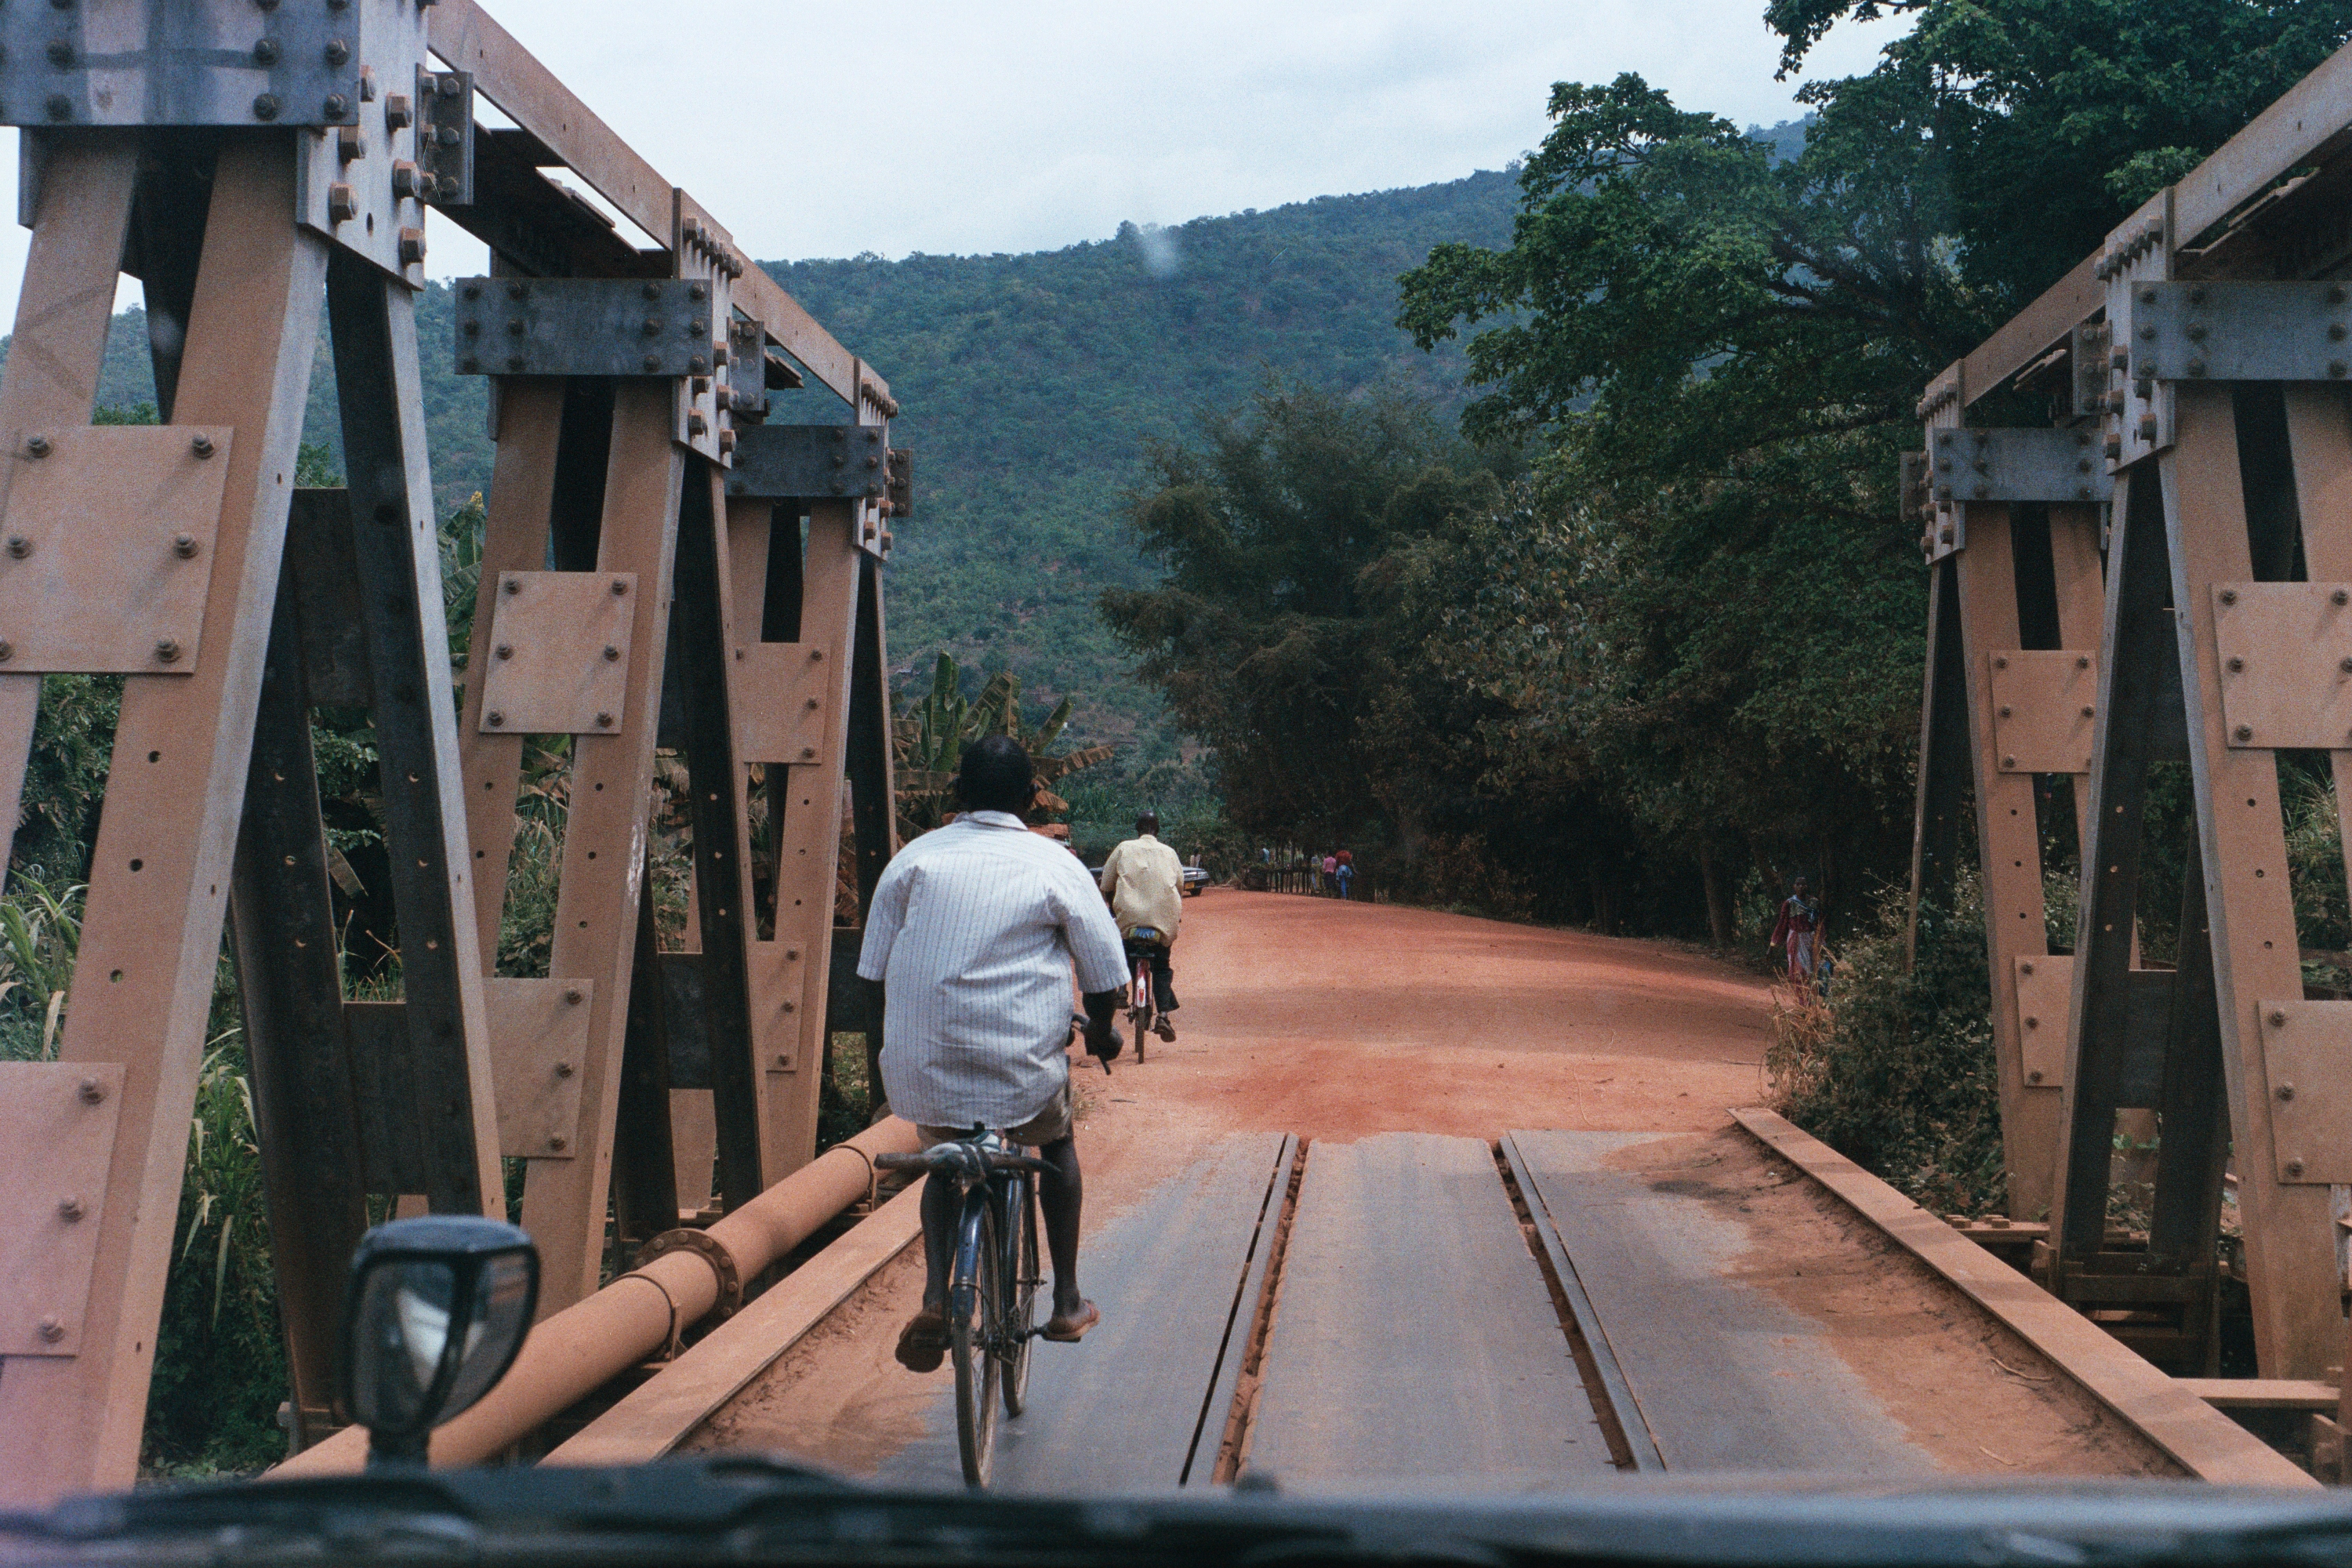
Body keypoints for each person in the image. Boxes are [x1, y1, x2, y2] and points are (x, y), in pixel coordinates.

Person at [858, 735, 1128, 1372]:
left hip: (925, 1067)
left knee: (943, 1158)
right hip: (1021, 1069)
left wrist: (903, 1050)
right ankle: (1065, 1300)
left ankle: (934, 1297)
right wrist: (1103, 1032)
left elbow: (871, 974)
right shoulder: (1054, 863)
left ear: (956, 794)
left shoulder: (911, 861)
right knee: (1055, 1144)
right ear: (1032, 799)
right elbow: (1104, 976)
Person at [1098, 810, 1185, 1042]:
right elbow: (1180, 886)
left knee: (1122, 950)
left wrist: (1113, 906)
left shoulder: (1124, 848)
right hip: (1162, 922)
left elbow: (1106, 883)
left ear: (1137, 830)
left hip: (1130, 920)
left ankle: (1122, 989)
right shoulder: (1169, 853)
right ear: (1157, 830)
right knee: (1162, 966)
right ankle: (1163, 1016)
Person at [1769, 876, 1822, 983]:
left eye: (1803, 885)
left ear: (1807, 887)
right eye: (1798, 885)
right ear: (1794, 887)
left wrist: (1822, 941)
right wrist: (1773, 944)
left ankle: (1808, 995)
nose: (1801, 887)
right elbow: (1782, 923)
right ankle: (1801, 996)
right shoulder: (1790, 903)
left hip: (1810, 938)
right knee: (1799, 969)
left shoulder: (1814, 902)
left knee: (1812, 969)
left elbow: (1819, 923)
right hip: (1796, 938)